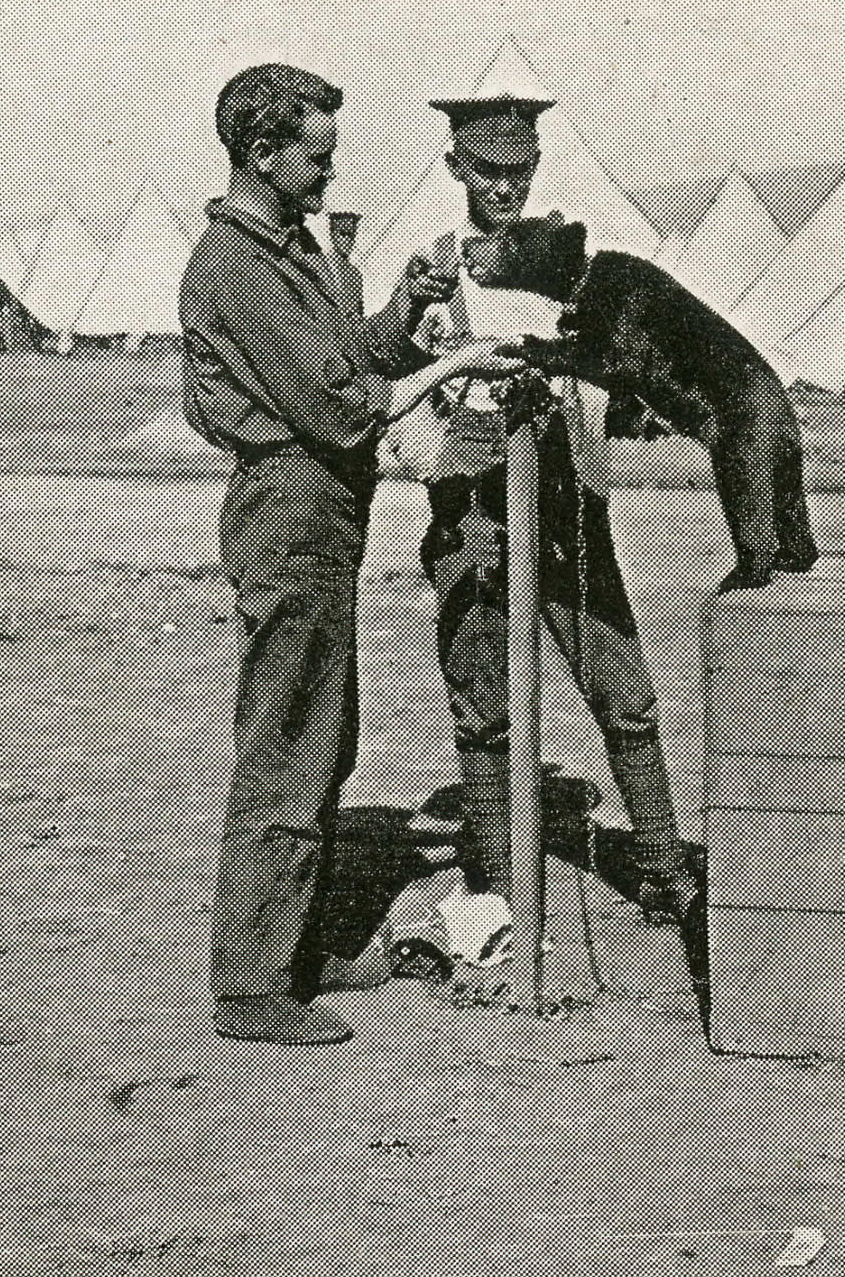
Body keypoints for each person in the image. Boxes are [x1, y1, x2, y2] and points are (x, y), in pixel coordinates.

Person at [181, 63, 512, 1045]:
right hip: (289, 504)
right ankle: (250, 984)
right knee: (288, 739)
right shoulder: (235, 266)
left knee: (325, 732)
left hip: (321, 507)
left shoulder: (291, 253)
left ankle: (298, 947)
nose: (329, 173)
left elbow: (353, 358)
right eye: (316, 157)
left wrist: (408, 308)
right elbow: (336, 407)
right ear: (261, 154)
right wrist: (457, 362)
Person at [399, 86, 701, 970]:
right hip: (472, 514)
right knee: (485, 704)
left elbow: (611, 375)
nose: (506, 187)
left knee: (625, 693)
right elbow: (397, 400)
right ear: (456, 167)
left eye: (520, 171)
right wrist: (450, 466)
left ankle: (659, 866)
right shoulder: (432, 272)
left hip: (569, 506)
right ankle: (491, 879)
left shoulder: (560, 257)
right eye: (489, 171)